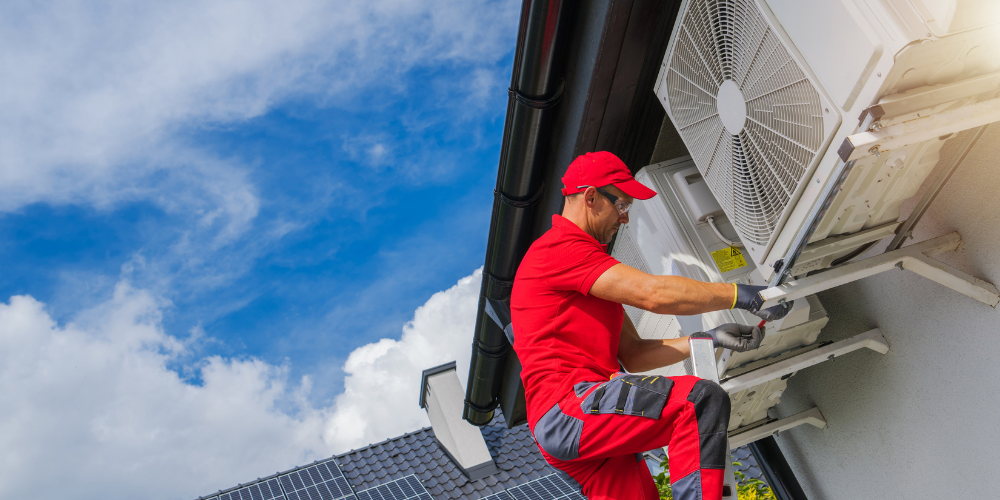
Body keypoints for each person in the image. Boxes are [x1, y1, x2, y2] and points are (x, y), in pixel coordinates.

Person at [510, 151, 790, 500]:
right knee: (698, 401)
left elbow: (635, 354)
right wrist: (741, 294)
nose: (625, 218)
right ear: (591, 197)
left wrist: (708, 338)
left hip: (577, 424)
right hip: (571, 407)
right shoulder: (560, 249)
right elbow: (654, 293)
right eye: (622, 205)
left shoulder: (588, 272)